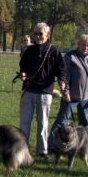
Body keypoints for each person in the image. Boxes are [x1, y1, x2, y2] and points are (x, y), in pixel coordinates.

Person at [19, 22, 66, 161]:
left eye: (41, 33)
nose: (38, 36)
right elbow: (23, 66)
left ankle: (42, 151)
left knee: (43, 123)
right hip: (28, 90)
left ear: (47, 35)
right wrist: (23, 74)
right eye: (36, 33)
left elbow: (61, 69)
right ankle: (22, 149)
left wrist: (62, 81)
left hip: (45, 92)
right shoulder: (29, 50)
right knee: (24, 123)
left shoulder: (54, 51)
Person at [48, 35, 88, 151]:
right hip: (71, 97)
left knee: (85, 123)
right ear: (78, 44)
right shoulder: (70, 57)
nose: (86, 47)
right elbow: (64, 76)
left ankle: (83, 146)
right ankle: (51, 145)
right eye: (84, 44)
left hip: (86, 98)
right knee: (61, 122)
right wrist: (65, 92)